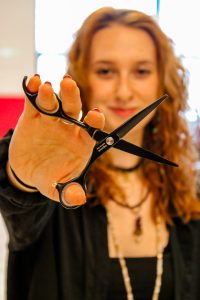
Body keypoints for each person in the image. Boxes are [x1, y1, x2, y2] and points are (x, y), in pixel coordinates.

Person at [0, 6, 200, 300]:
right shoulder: (58, 185)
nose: (123, 91)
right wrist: (20, 174)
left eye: (141, 72)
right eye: (105, 71)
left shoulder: (190, 192)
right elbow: (21, 198)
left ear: (162, 80)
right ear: (82, 78)